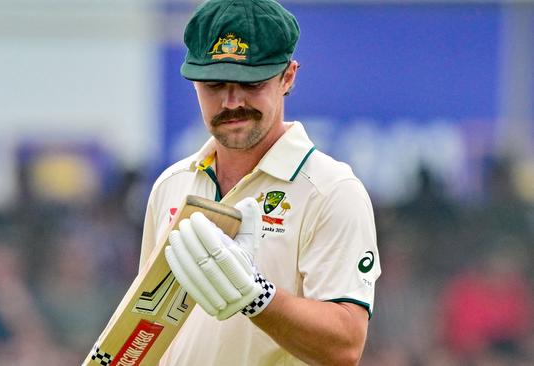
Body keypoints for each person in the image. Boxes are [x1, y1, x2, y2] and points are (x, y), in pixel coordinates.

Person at [140, 0, 381, 364]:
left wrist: (257, 297)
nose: (231, 101)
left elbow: (345, 344)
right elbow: (145, 324)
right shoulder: (172, 185)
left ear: (288, 76)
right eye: (214, 85)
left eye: (251, 83)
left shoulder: (331, 191)